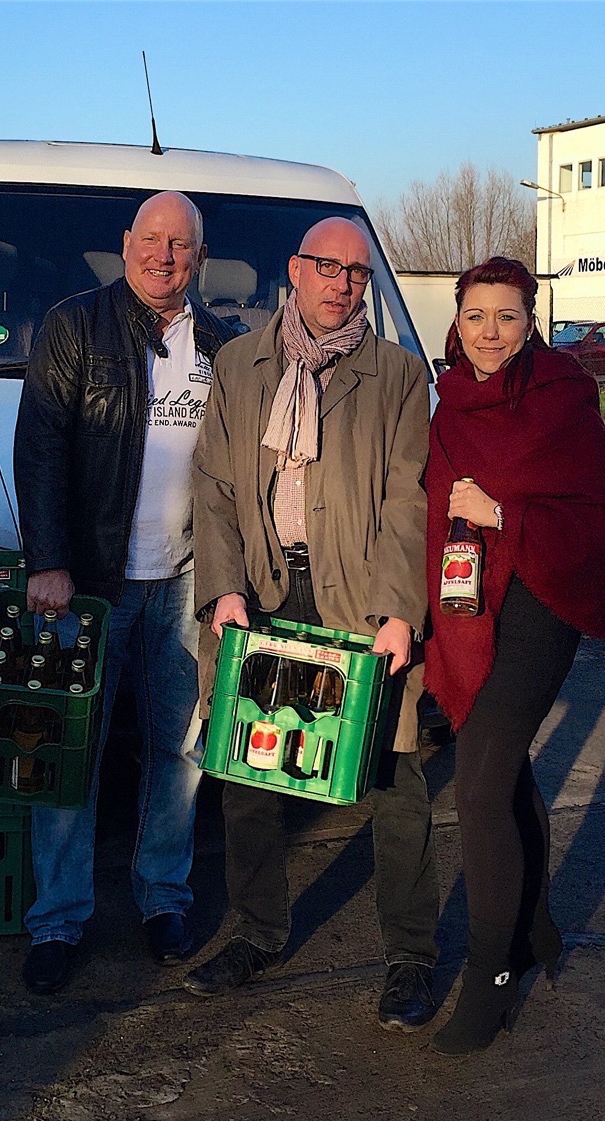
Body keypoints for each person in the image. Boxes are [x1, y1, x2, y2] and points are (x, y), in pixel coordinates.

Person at [187, 217, 440, 1032]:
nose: (343, 284)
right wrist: (222, 588)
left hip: (359, 599)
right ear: (294, 270)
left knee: (394, 780)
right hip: (260, 594)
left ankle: (410, 956)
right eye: (328, 268)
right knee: (249, 774)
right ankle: (258, 932)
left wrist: (400, 608)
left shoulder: (398, 376)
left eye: (358, 274)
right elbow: (216, 489)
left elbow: (409, 500)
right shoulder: (239, 364)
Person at [13, 191, 235, 994]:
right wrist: (49, 559)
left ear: (198, 258)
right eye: (151, 238)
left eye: (180, 243)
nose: (164, 254)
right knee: (72, 751)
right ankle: (58, 918)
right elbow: (38, 446)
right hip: (90, 586)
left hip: (184, 581)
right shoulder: (76, 324)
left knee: (179, 750)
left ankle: (162, 897)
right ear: (126, 243)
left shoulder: (221, 343)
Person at [423, 258, 605, 1055]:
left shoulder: (562, 396)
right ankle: (536, 923)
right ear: (457, 320)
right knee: (500, 773)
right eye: (477, 316)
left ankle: (491, 973)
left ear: (530, 321)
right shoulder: (446, 401)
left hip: (541, 599)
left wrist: (503, 512)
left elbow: (601, 516)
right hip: (470, 604)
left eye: (507, 317)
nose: (491, 333)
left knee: (475, 786)